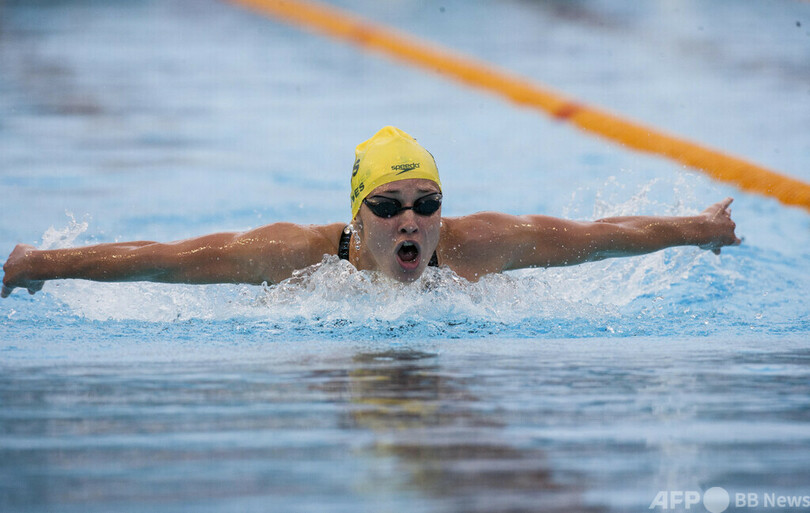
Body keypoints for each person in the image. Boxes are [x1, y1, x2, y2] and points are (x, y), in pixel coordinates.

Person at [1, 126, 740, 298]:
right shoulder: (292, 256)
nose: (410, 221)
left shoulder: (481, 247)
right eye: (387, 206)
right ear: (356, 217)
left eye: (427, 205)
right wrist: (40, 266)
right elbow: (164, 258)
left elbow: (594, 241)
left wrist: (702, 229)